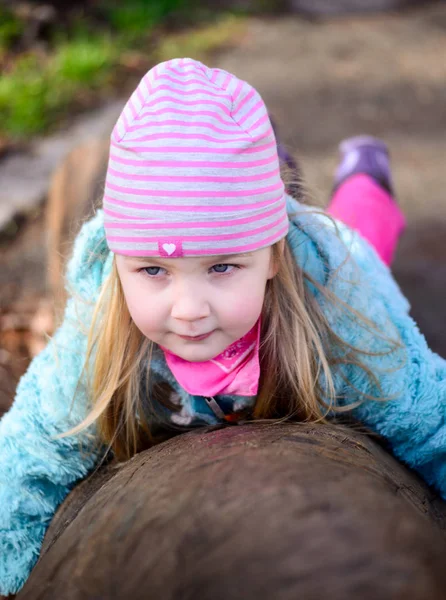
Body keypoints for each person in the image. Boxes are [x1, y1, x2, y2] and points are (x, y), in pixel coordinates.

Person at [0, 57, 444, 596]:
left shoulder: (339, 306)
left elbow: (427, 415)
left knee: (359, 238)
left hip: (334, 259)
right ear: (119, 264)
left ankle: (364, 173)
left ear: (273, 258)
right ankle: (268, 168)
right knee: (255, 209)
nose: (188, 309)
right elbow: (30, 449)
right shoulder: (98, 322)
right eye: (154, 270)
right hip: (258, 221)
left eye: (221, 267)